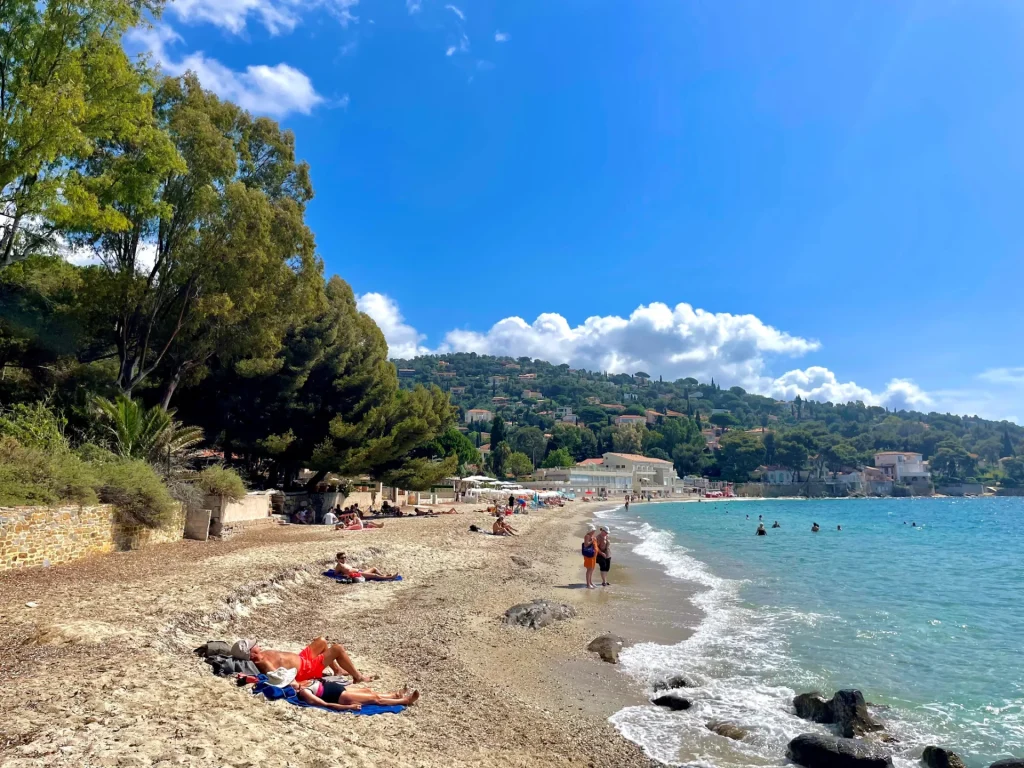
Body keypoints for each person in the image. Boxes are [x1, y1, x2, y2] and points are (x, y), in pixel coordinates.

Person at [244, 637, 375, 684]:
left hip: (301, 658)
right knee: (337, 648)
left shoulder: (261, 655)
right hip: (305, 670)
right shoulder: (261, 661)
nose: (256, 644)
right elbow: (278, 676)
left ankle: (337, 670)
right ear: (251, 653)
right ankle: (358, 677)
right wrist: (296, 683)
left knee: (322, 641)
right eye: (253, 645)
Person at [296, 678, 420, 711]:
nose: (293, 682)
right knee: (375, 699)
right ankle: (404, 701)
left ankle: (394, 695)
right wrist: (348, 707)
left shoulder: (304, 682)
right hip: (341, 697)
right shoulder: (304, 692)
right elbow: (325, 704)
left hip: (341, 690)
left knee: (368, 691)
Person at [333, 552, 399, 582]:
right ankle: (390, 578)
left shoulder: (345, 564)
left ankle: (383, 575)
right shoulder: (339, 565)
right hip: (356, 575)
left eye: (345, 557)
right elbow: (336, 574)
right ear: (338, 559)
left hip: (359, 572)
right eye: (342, 558)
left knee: (374, 568)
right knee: (374, 575)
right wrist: (343, 575)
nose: (344, 559)